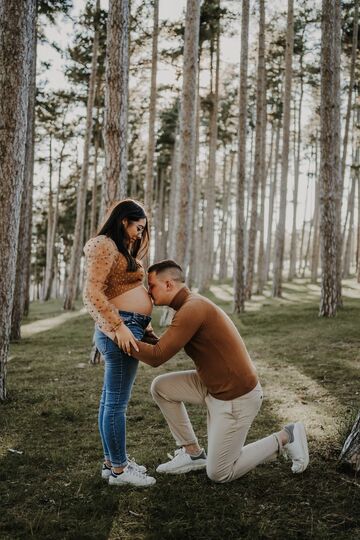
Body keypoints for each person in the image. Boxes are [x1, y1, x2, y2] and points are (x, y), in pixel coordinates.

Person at [128, 259, 309, 483]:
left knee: (219, 473)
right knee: (161, 387)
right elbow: (162, 347)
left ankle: (286, 436)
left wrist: (119, 336)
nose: (148, 291)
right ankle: (193, 453)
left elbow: (157, 357)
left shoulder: (192, 309)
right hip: (212, 386)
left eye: (151, 285)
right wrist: (146, 335)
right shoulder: (189, 306)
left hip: (236, 398)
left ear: (168, 284)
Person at [83, 199, 157, 487]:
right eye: (138, 227)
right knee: (116, 403)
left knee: (109, 399)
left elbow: (124, 288)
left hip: (128, 325)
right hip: (119, 329)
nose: (140, 233)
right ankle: (120, 470)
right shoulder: (104, 244)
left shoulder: (120, 249)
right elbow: (91, 293)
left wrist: (144, 323)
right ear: (124, 220)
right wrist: (120, 327)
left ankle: (111, 462)